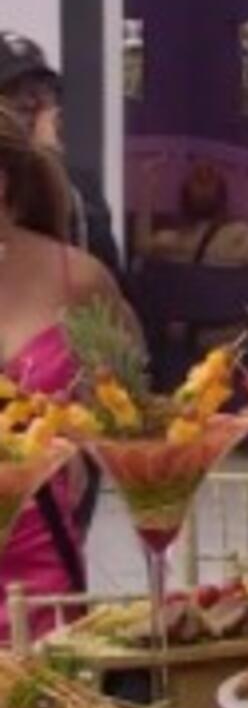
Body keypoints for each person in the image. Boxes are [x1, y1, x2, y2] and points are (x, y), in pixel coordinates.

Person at [0, 105, 137, 641]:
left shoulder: (76, 279)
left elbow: (131, 397)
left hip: (40, 566)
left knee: (47, 688)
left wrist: (87, 433)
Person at [0, 30, 121, 278]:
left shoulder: (80, 190)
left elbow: (106, 277)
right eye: (15, 93)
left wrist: (47, 163)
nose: (32, 103)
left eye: (41, 91)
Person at [133, 160, 248, 275]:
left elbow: (142, 246)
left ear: (182, 204)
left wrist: (146, 189)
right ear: (224, 202)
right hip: (233, 322)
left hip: (186, 322)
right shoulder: (238, 240)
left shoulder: (171, 242)